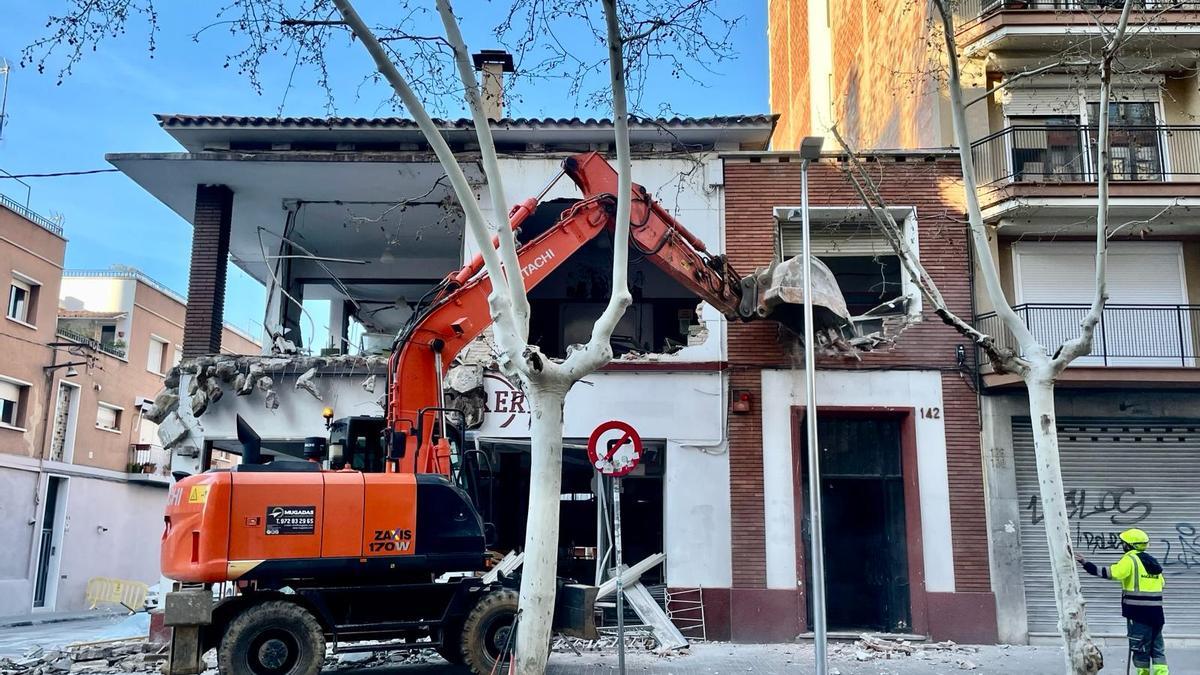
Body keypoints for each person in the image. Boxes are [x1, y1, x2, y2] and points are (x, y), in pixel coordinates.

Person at [1075, 528, 1167, 675]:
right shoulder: (1152, 562)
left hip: (1138, 615)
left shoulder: (1130, 559)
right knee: (1157, 649)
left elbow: (1111, 573)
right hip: (1157, 614)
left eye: (1124, 543)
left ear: (1129, 545)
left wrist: (1086, 564)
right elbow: (1161, 584)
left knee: (1140, 648)